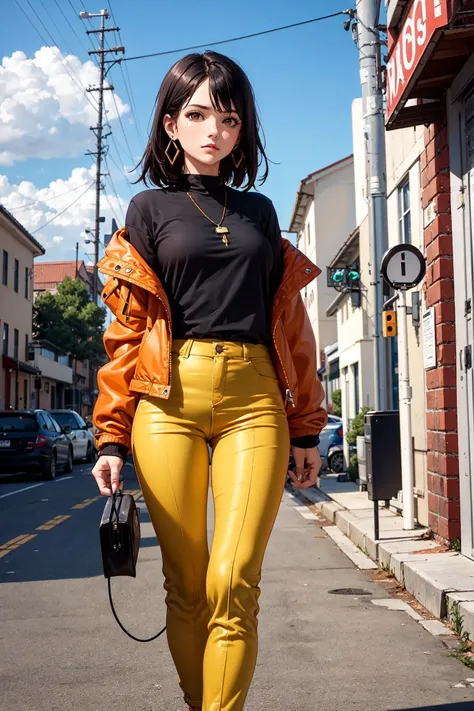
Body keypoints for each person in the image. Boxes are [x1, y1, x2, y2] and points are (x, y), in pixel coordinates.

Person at [91, 50, 327, 711]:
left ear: (242, 127)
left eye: (228, 117)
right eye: (196, 114)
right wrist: (110, 437)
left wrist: (308, 426)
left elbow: (291, 325)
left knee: (233, 579)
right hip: (166, 401)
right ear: (170, 124)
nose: (213, 130)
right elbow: (125, 336)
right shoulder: (145, 211)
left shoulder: (261, 213)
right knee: (187, 582)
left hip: (255, 399)